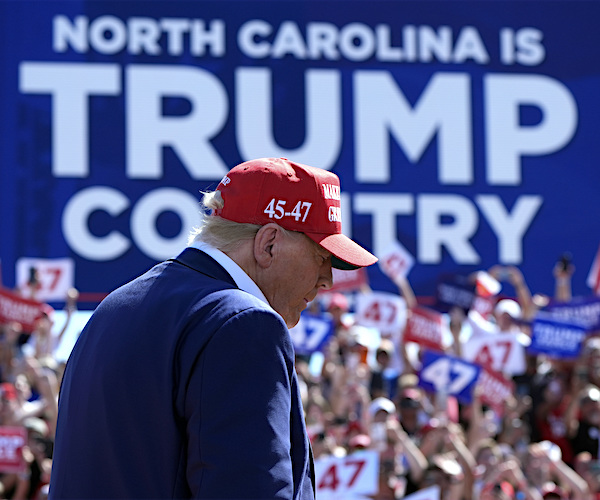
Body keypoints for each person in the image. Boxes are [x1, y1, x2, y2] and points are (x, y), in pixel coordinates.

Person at [49, 157, 377, 499]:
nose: (327, 280)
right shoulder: (243, 324)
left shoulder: (115, 307)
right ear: (269, 244)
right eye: (321, 257)